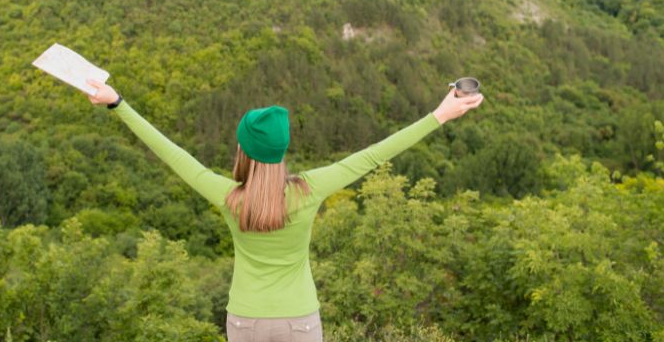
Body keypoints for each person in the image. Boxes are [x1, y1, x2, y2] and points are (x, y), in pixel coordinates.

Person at [85, 78, 484, 342]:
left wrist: (117, 103)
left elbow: (170, 151)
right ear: (282, 149)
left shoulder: (227, 197)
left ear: (243, 151)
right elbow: (374, 154)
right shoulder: (308, 190)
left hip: (244, 320)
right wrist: (439, 116)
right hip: (298, 321)